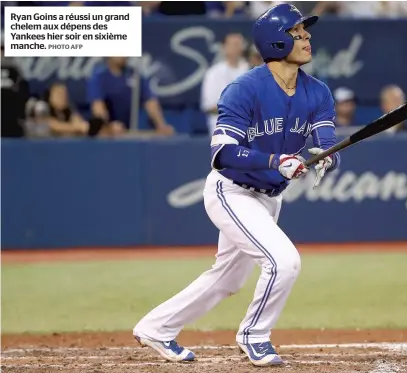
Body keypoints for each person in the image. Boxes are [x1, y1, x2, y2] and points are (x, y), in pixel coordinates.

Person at [133, 4, 340, 367]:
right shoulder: (243, 89)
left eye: (305, 31)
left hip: (269, 199)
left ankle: (156, 327)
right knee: (284, 261)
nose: (306, 37)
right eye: (297, 32)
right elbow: (222, 153)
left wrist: (326, 157)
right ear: (276, 42)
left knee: (226, 280)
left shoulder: (318, 92)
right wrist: (276, 161)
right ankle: (254, 335)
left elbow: (326, 141)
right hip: (231, 191)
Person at [87, 57, 175, 136]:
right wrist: (108, 126)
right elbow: (98, 108)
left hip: (127, 132)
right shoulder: (99, 76)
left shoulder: (135, 75)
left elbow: (150, 102)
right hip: (105, 134)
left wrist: (161, 125)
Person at [201, 33, 249, 135]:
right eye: (233, 44)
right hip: (222, 128)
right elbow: (209, 107)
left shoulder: (250, 70)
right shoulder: (213, 73)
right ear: (224, 47)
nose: (237, 47)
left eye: (239, 44)